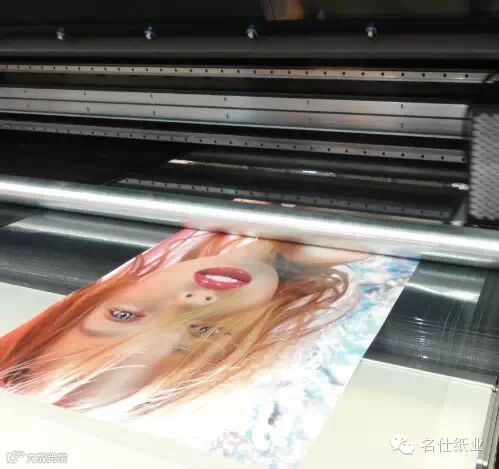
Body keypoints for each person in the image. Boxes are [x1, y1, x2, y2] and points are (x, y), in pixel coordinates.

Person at [0, 229, 366, 419]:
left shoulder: (166, 230)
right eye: (203, 332)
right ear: (245, 345)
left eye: (124, 316)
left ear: (94, 298)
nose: (193, 303)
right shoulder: (335, 249)